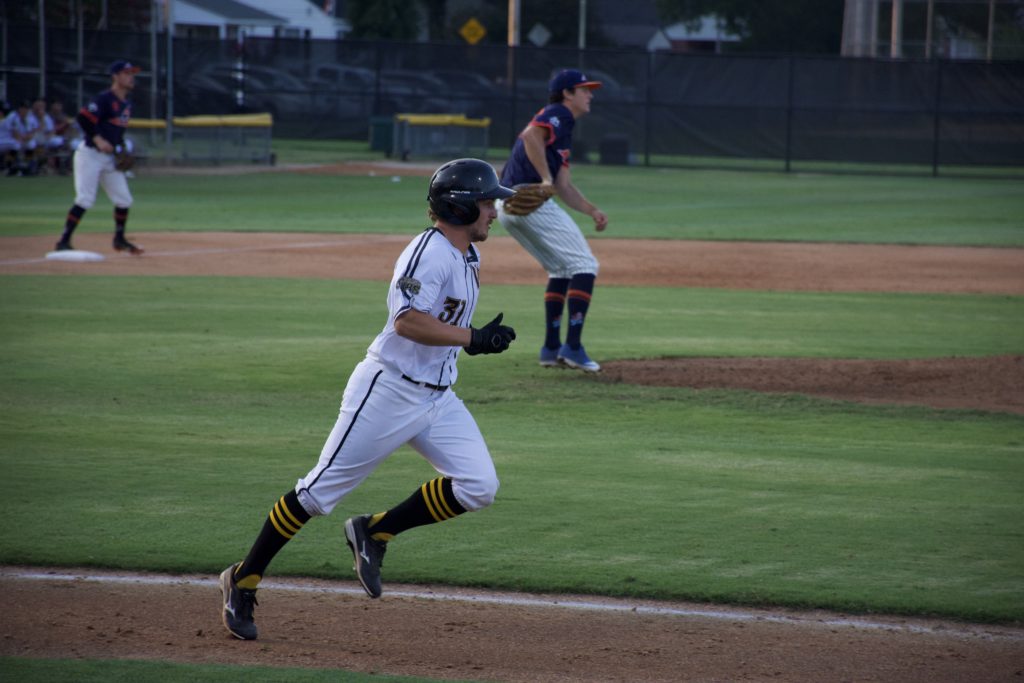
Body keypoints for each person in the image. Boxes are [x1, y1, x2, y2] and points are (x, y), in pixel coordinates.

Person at [219, 158, 517, 641]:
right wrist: (471, 338)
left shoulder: (467, 255)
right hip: (387, 391)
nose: (493, 212)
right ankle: (243, 579)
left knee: (478, 485)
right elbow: (406, 321)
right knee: (316, 494)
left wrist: (473, 342)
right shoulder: (430, 254)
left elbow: (437, 326)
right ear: (460, 207)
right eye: (487, 202)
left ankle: (374, 532)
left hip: (436, 398)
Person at [496, 68, 609, 373]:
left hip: (510, 205)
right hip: (526, 200)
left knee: (561, 269)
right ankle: (572, 347)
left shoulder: (563, 128)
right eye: (584, 89)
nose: (590, 95)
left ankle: (550, 348)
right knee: (585, 266)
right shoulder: (558, 113)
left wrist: (591, 210)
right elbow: (532, 134)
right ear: (567, 93)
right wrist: (544, 177)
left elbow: (563, 185)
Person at [54, 60, 144, 254]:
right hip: (90, 155)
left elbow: (118, 131)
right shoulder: (104, 99)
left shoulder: (126, 104)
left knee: (124, 199)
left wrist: (121, 148)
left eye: (132, 73)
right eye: (127, 73)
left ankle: (119, 239)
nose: (131, 77)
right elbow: (83, 118)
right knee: (85, 199)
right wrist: (97, 138)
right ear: (116, 76)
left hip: (109, 159)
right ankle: (63, 240)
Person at [0, 100, 39, 176]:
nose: (25, 110)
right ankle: (9, 166)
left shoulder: (30, 117)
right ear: (19, 108)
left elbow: (33, 130)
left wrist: (28, 137)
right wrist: (23, 138)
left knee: (31, 144)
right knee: (16, 145)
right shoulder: (12, 116)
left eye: (26, 108)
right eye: (23, 108)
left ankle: (27, 165)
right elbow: (14, 133)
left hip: (20, 139)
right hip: (6, 139)